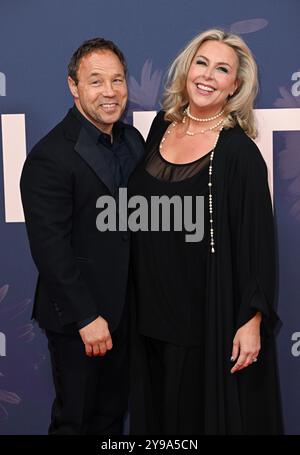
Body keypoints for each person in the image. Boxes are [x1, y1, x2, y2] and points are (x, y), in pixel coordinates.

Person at [128, 29, 283, 434]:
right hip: (148, 314)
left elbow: (258, 244)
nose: (208, 76)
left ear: (235, 85)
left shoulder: (239, 153)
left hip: (202, 319)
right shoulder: (162, 127)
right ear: (186, 68)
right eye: (202, 63)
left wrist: (252, 320)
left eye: (222, 69)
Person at [20, 37, 145, 435]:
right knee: (76, 422)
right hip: (81, 320)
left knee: (111, 419)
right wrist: (86, 317)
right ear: (74, 86)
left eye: (118, 80)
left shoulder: (133, 142)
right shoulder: (49, 156)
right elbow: (50, 249)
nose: (110, 92)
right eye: (96, 81)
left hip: (128, 314)